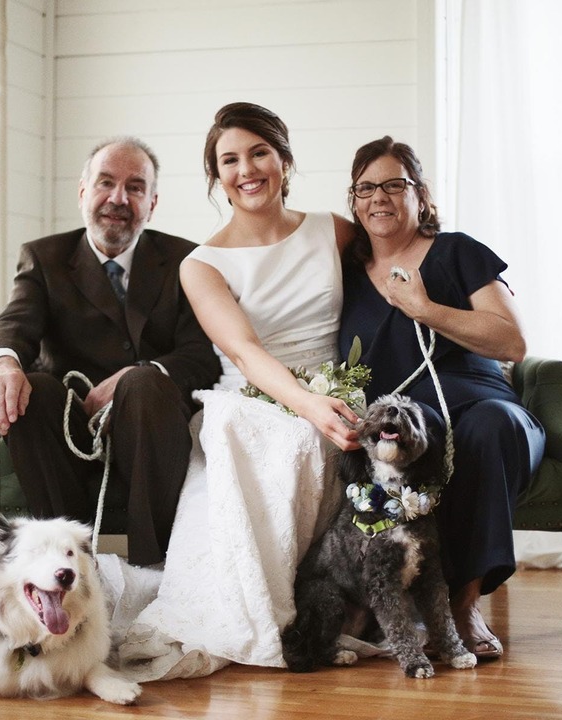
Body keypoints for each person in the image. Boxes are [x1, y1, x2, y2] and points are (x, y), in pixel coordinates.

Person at [108, 102, 359, 680]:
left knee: (318, 440)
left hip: (338, 387)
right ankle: (260, 611)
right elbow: (244, 351)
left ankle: (334, 603)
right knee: (270, 436)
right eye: (229, 160)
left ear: (284, 160)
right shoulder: (202, 264)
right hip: (260, 397)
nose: (246, 169)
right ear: (215, 176)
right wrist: (308, 406)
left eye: (259, 152)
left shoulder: (334, 231)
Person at [337, 136, 546, 660]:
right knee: (407, 435)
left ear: (421, 195)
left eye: (394, 184)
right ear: (354, 201)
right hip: (406, 416)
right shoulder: (344, 274)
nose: (379, 197)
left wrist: (425, 309)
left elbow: (512, 342)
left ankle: (464, 604)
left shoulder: (457, 252)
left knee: (487, 427)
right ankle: (384, 604)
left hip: (483, 406)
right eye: (365, 188)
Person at [0, 137, 221, 567]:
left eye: (135, 187)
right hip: (70, 424)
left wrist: (136, 374)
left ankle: (147, 567)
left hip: (150, 421)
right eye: (105, 183)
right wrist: (2, 365)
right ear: (83, 192)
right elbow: (14, 323)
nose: (118, 198)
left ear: (152, 203)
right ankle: (68, 561)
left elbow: (201, 354)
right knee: (32, 390)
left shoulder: (186, 259)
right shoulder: (44, 258)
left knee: (144, 382)